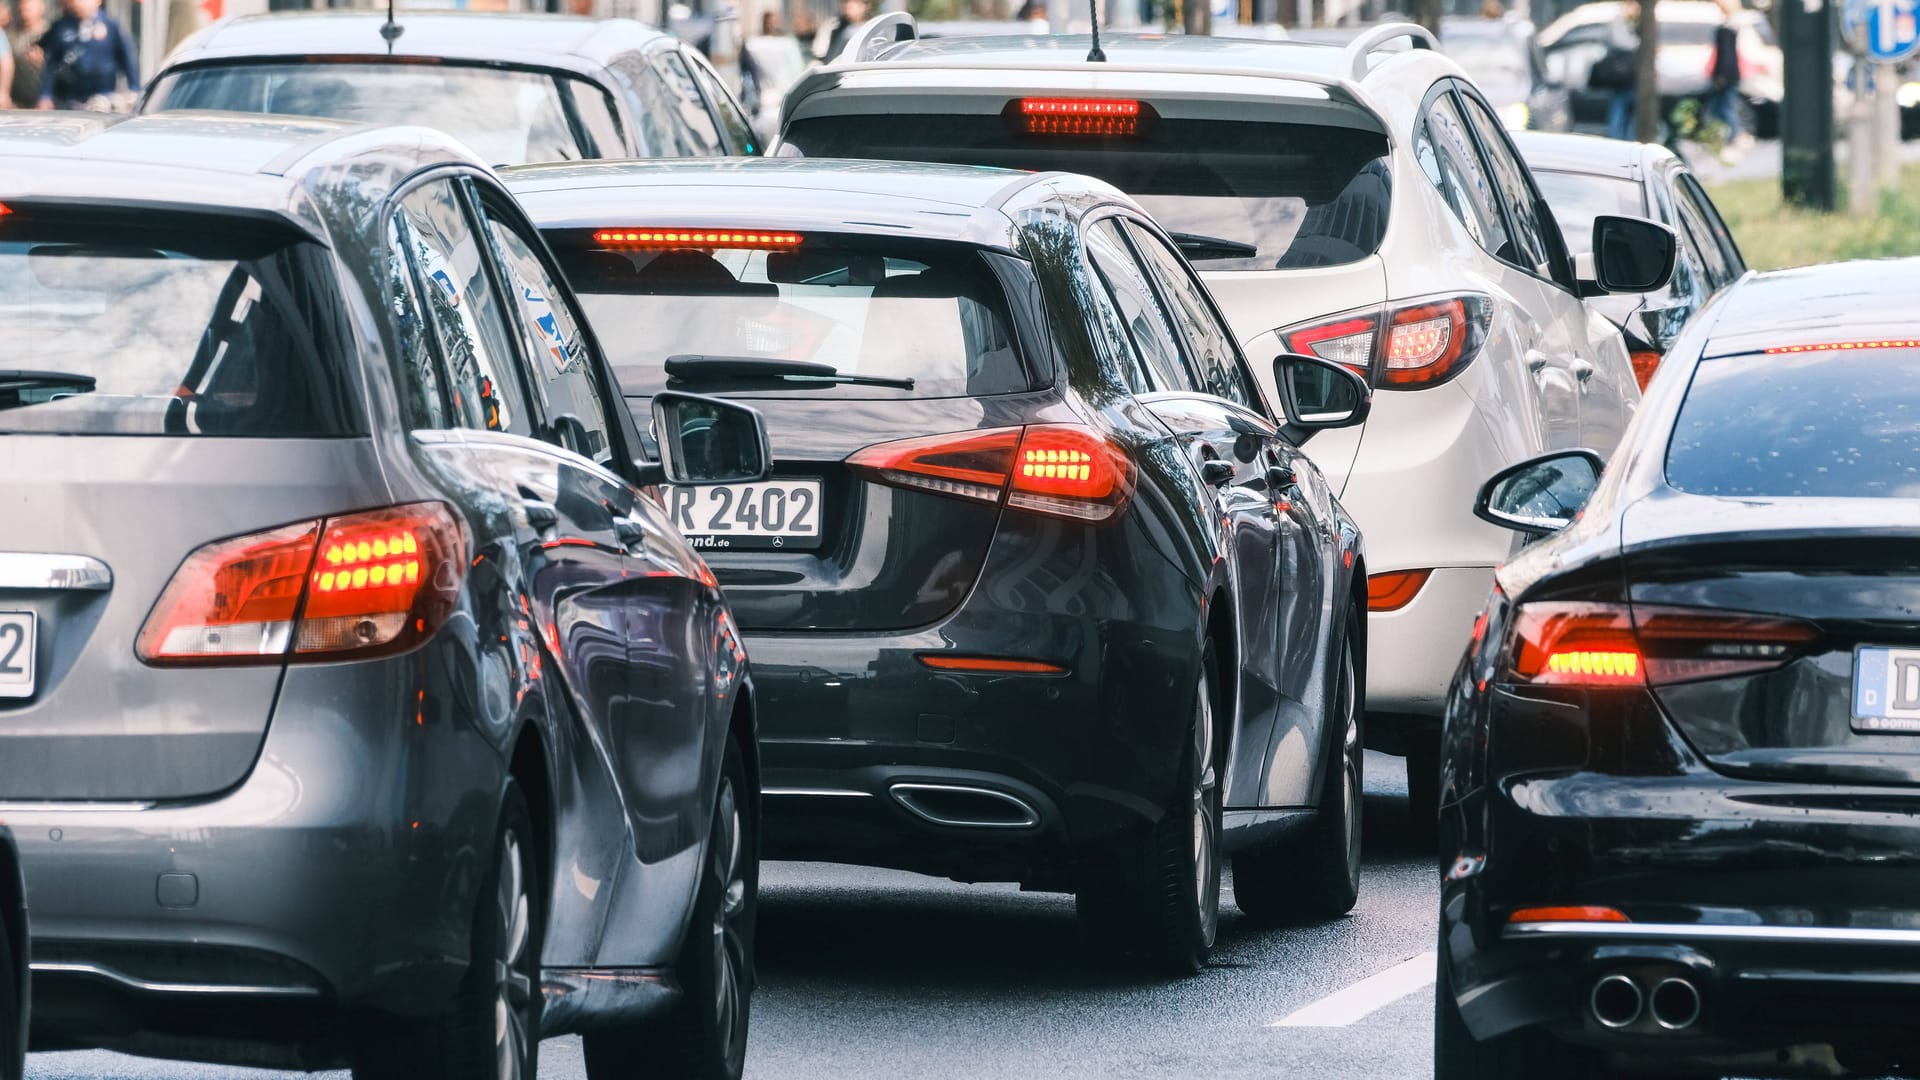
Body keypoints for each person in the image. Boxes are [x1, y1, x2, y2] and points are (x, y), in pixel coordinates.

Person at [34, 0, 137, 111]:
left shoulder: (111, 25)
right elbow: (52, 63)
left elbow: (128, 58)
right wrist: (45, 95)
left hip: (104, 96)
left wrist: (133, 88)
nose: (78, 3)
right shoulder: (62, 26)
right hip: (71, 97)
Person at [1591, 1, 1640, 141]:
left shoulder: (1633, 20)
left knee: (1629, 112)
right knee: (1619, 110)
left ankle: (1627, 138)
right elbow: (1621, 42)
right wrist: (1638, 43)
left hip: (1630, 77)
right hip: (1622, 76)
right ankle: (1617, 138)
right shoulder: (1619, 19)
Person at [1706, 0, 1746, 149]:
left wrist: (1720, 76)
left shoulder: (1726, 29)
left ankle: (1733, 136)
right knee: (1723, 107)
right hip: (1731, 74)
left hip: (1726, 75)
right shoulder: (1732, 27)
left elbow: (1725, 56)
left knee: (1724, 108)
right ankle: (1728, 137)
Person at [8, 0, 49, 109]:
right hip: (16, 101)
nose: (24, 13)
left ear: (41, 9)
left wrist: (44, 61)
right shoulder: (10, 36)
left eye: (28, 9)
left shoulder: (52, 34)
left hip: (45, 101)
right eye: (21, 9)